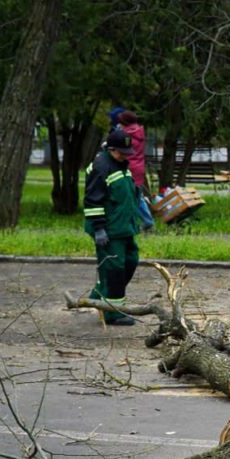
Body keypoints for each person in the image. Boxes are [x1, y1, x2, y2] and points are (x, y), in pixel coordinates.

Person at [83, 128, 141, 326]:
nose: (126, 156)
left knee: (131, 261)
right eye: (122, 152)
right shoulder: (101, 167)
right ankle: (112, 313)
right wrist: (99, 228)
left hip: (124, 227)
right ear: (111, 149)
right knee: (114, 268)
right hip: (109, 229)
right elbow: (92, 201)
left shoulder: (121, 164)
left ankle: (100, 293)